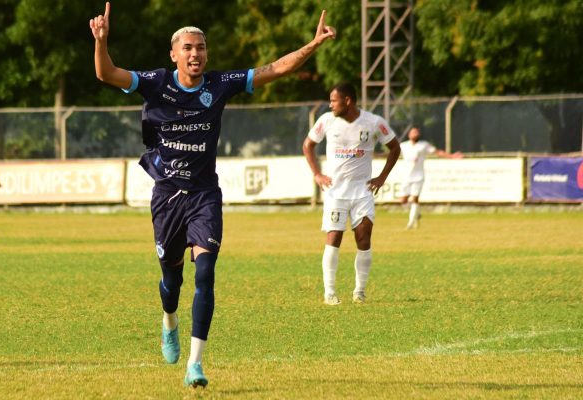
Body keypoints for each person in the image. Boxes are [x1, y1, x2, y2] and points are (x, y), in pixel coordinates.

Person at [89, 2, 336, 388]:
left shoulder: (220, 84)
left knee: (205, 273)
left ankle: (195, 364)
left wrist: (313, 44)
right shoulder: (156, 81)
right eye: (187, 48)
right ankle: (169, 320)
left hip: (205, 194)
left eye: (200, 47)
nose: (195, 53)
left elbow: (275, 69)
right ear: (174, 55)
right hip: (167, 195)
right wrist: (101, 41)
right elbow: (106, 73)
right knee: (171, 281)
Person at [302, 82, 400, 306]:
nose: (330, 105)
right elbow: (308, 145)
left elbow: (394, 147)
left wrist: (382, 177)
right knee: (333, 238)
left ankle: (360, 291)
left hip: (362, 192)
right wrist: (317, 174)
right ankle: (329, 292)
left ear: (347, 101)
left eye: (334, 100)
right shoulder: (326, 120)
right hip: (335, 192)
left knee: (364, 239)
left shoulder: (374, 122)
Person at [399, 127, 462, 229]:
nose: (415, 134)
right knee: (403, 201)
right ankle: (417, 213)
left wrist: (451, 156)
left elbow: (437, 152)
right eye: (413, 132)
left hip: (418, 176)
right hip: (406, 176)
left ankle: (410, 224)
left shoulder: (424, 145)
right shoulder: (403, 145)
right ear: (409, 134)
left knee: (415, 198)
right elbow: (392, 152)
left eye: (417, 132)